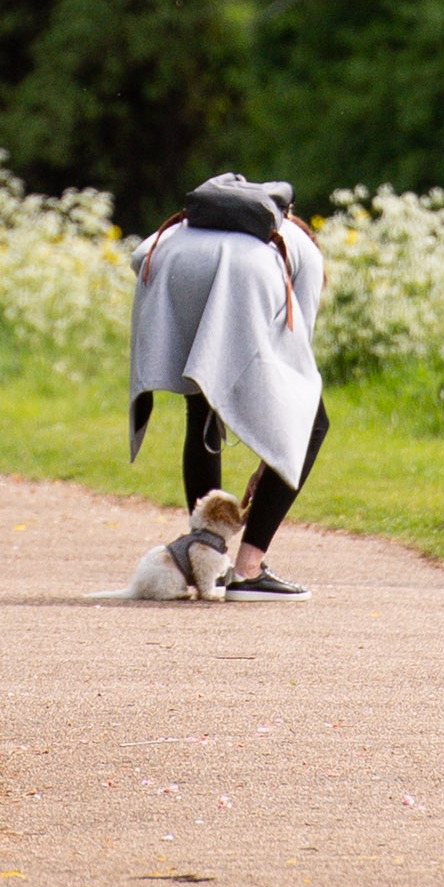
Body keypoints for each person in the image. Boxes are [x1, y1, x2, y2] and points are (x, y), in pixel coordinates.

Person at [126, 175, 329, 596]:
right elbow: (297, 364)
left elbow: (140, 253)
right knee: (313, 422)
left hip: (169, 269)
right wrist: (271, 456)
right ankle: (249, 571)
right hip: (238, 280)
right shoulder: (303, 250)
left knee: (201, 409)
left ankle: (207, 559)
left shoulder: (200, 222)